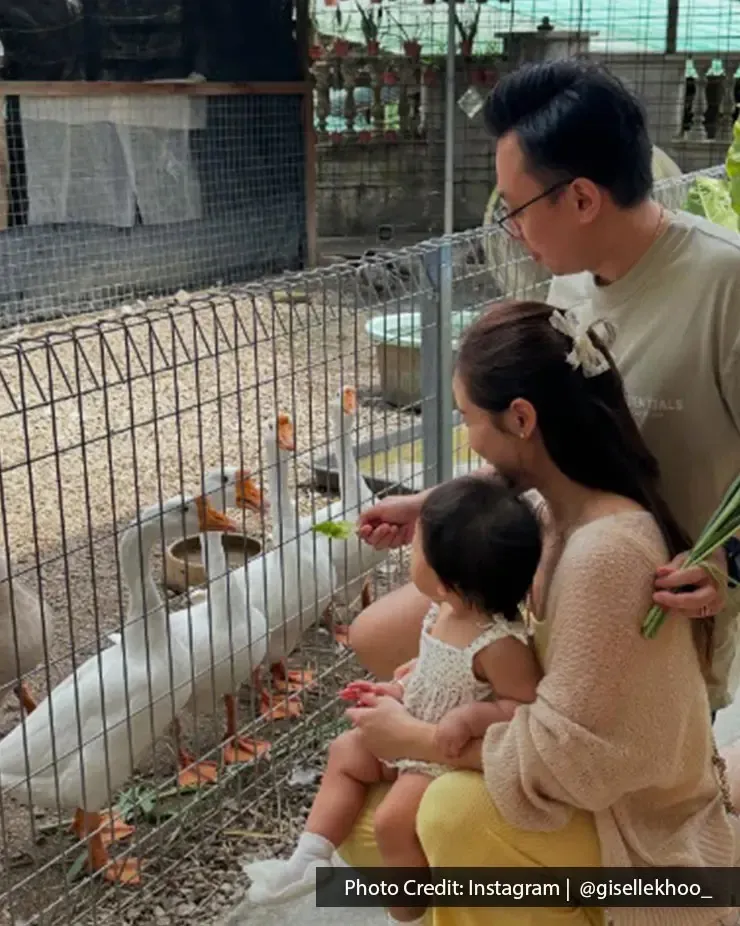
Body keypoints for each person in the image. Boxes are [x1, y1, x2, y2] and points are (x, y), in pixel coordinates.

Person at [349, 58, 740, 719]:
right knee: (375, 637)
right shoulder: (571, 281)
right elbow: (549, 439)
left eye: (517, 208)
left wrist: (725, 572)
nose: (510, 230)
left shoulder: (724, 286)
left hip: (651, 604)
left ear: (584, 199)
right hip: (551, 570)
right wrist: (439, 502)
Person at [337, 300, 738, 926]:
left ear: (520, 418)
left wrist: (418, 740)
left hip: (642, 845)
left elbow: (570, 761)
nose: (467, 436)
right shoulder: (553, 515)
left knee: (449, 814)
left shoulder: (604, 553)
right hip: (599, 801)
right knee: (366, 804)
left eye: (467, 418)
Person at [243, 475, 543, 923]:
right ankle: (308, 859)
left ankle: (407, 911)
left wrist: (471, 718)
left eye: (417, 546)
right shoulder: (441, 610)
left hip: (440, 753)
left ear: (446, 581)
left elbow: (523, 707)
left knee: (392, 822)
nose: (410, 552)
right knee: (345, 751)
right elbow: (432, 666)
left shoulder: (500, 644)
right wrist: (397, 689)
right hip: (413, 721)